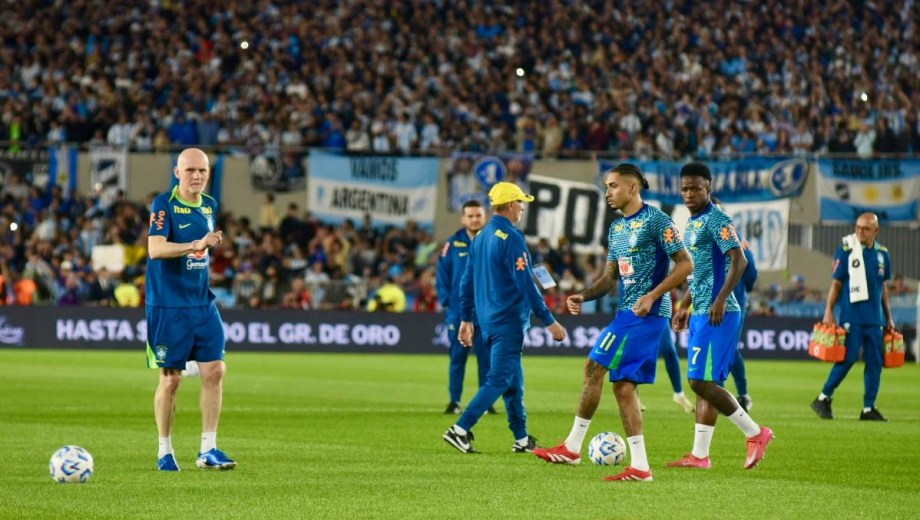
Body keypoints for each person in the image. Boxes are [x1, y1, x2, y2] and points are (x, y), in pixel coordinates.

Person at [533, 163, 693, 482]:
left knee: (594, 367)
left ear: (633, 188)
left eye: (613, 186)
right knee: (623, 387)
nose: (607, 192)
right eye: (606, 186)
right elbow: (609, 278)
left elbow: (685, 264)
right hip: (626, 313)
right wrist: (583, 295)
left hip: (647, 315)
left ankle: (572, 447)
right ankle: (641, 467)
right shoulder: (617, 229)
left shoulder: (657, 221)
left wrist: (653, 295)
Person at [442, 182, 567, 455]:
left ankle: (521, 439)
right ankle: (460, 429)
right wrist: (549, 320)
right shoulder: (511, 237)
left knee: (513, 383)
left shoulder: (481, 236)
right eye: (521, 202)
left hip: (487, 321)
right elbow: (526, 284)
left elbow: (467, 281)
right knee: (499, 380)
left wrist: (466, 319)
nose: (522, 207)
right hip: (508, 321)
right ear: (511, 204)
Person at [667, 162, 773, 471]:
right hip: (701, 310)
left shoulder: (717, 219)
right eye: (685, 189)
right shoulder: (693, 223)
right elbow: (700, 271)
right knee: (707, 382)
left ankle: (755, 433)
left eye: (695, 188)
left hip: (718, 313)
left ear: (708, 188)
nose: (689, 194)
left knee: (698, 381)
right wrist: (685, 305)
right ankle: (700, 455)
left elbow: (739, 261)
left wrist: (721, 299)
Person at [146, 148, 236, 472]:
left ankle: (208, 450)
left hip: (202, 303)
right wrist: (194, 245)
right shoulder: (164, 205)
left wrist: (204, 247)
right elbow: (155, 249)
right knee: (171, 380)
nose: (197, 176)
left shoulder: (210, 205)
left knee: (215, 371)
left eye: (203, 170)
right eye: (190, 170)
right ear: (177, 173)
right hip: (169, 306)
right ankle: (164, 451)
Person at [811, 212, 895, 421]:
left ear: (876, 230)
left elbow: (882, 287)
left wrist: (888, 316)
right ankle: (823, 397)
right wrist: (829, 311)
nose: (860, 232)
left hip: (875, 319)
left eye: (865, 228)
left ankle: (868, 408)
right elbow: (836, 284)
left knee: (875, 363)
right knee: (847, 359)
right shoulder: (846, 250)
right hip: (852, 316)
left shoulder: (883, 254)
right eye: (857, 227)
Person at [437, 199, 496, 415]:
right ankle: (455, 401)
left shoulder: (494, 240)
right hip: (458, 312)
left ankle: (485, 402)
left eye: (478, 215)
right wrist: (447, 300)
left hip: (486, 313)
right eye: (470, 216)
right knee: (457, 358)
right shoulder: (452, 244)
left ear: (485, 217)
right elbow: (442, 274)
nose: (474, 220)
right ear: (463, 219)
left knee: (486, 360)